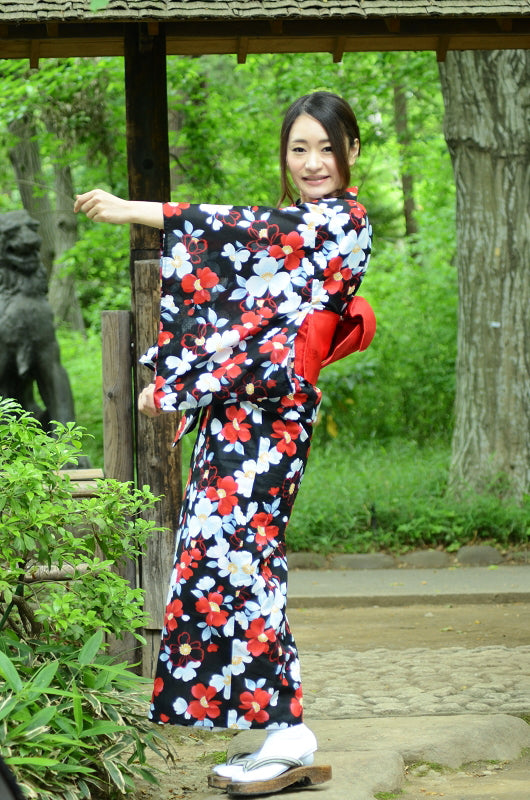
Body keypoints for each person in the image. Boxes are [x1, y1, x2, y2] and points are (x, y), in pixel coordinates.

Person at [74, 90, 374, 796]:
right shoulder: (299, 230)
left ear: (352, 152)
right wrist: (180, 382)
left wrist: (136, 210)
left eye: (326, 148)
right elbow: (247, 313)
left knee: (244, 561)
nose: (312, 163)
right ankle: (274, 726)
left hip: (272, 419)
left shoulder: (341, 222)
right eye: (298, 149)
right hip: (241, 416)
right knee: (214, 557)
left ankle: (288, 728)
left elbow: (239, 233)